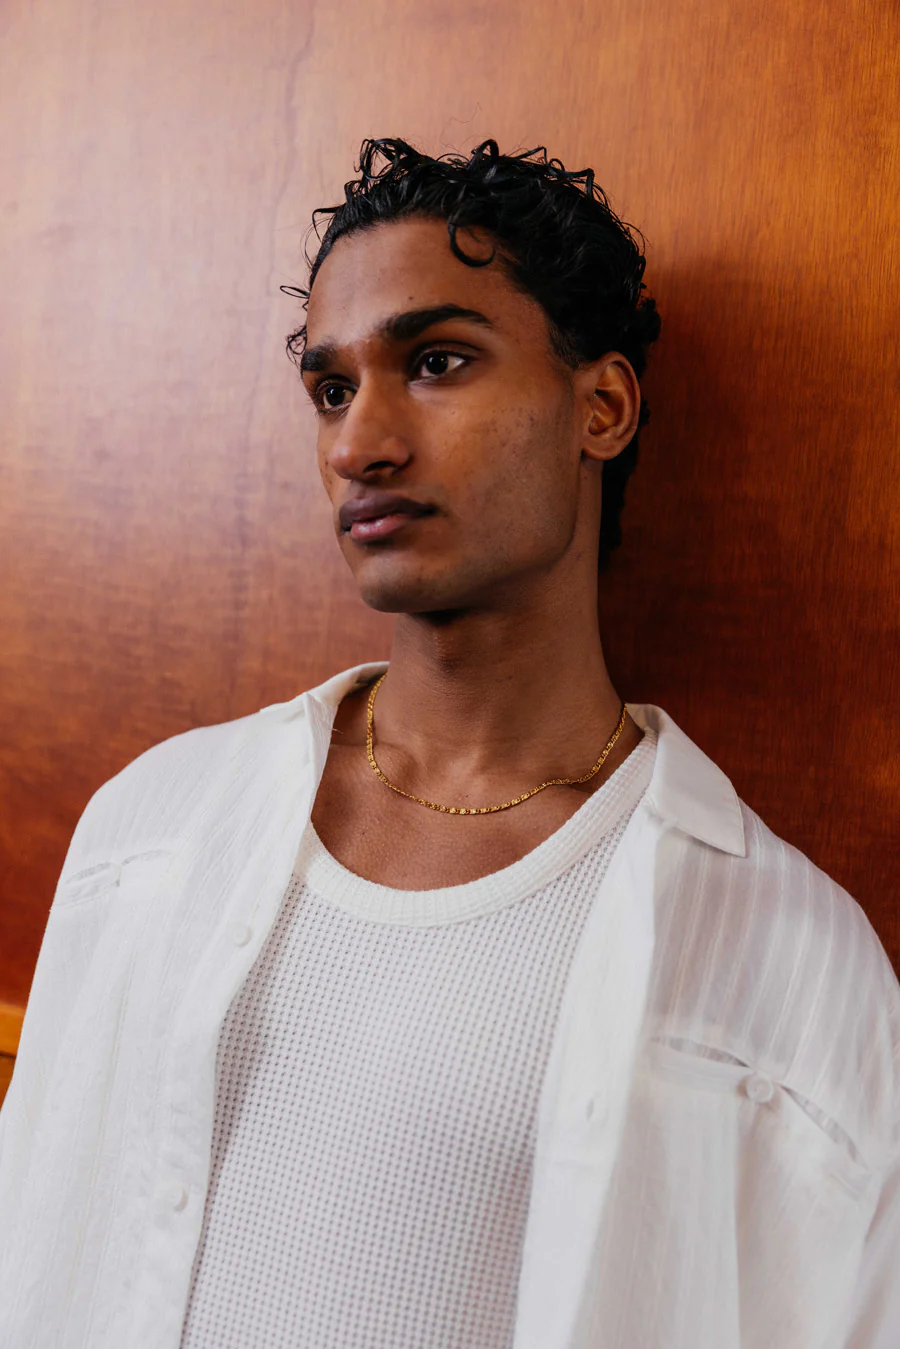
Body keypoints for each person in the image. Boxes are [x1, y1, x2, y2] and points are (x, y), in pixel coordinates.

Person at [0, 137, 897, 1349]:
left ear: (602, 407)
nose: (357, 444)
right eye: (331, 388)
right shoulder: (149, 827)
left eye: (435, 362)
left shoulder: (787, 962)